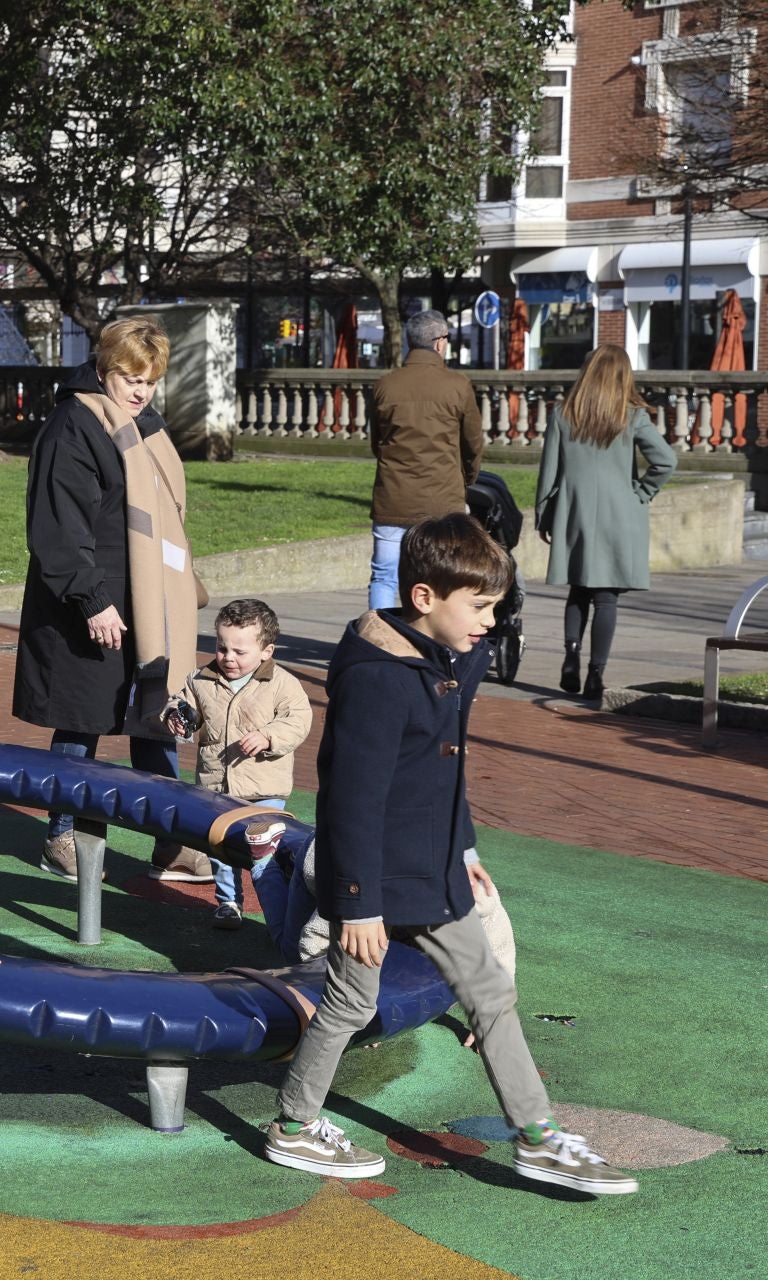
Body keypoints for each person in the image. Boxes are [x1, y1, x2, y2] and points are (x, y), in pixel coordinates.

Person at [259, 513, 637, 1196]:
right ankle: (293, 1126)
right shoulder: (378, 676)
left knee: (492, 994)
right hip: (373, 877)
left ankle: (538, 1138)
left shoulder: (450, 656)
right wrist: (357, 905)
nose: (490, 622)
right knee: (348, 1004)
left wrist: (462, 845)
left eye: (495, 606)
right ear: (425, 598)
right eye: (479, 606)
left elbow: (447, 766)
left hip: (434, 871)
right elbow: (350, 800)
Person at [13, 316, 205, 883]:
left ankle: (171, 839)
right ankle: (62, 835)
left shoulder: (143, 425)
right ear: (103, 370)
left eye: (150, 380)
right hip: (89, 602)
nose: (141, 391)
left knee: (156, 713)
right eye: (130, 377)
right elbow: (57, 526)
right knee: (81, 724)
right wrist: (91, 599)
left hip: (146, 599)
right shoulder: (73, 425)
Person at [534, 345, 676, 700]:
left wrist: (545, 515)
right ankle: (596, 674)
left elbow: (549, 472)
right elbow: (666, 461)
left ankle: (570, 656)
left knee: (578, 590)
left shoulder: (563, 413)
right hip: (619, 515)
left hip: (575, 512)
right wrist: (641, 492)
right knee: (607, 599)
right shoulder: (633, 416)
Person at [162, 599, 311, 929]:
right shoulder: (202, 680)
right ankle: (228, 901)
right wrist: (177, 717)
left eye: (239, 652)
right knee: (221, 849)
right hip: (217, 786)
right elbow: (182, 705)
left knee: (265, 852)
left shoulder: (282, 683)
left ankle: (280, 909)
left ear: (266, 651)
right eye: (221, 647)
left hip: (264, 788)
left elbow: (298, 720)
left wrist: (269, 737)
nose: (228, 657)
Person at [366, 310, 484, 611]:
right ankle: (431, 640)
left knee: (384, 576)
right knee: (440, 577)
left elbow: (377, 442)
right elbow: (472, 443)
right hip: (442, 500)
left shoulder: (385, 385)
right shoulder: (458, 385)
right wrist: (467, 478)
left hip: (394, 498)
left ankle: (379, 645)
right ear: (440, 343)